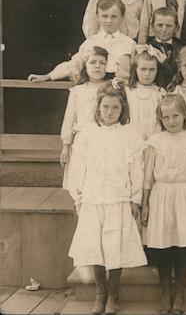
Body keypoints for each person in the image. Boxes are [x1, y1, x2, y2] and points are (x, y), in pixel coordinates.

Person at [67, 81, 147, 315]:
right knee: (95, 245)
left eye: (115, 108)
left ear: (123, 109)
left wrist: (134, 199)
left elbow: (137, 169)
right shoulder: (86, 134)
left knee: (115, 246)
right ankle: (100, 292)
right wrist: (78, 197)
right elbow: (77, 167)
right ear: (97, 108)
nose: (110, 113)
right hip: (93, 197)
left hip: (118, 197)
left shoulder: (130, 135)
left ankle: (113, 293)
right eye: (105, 108)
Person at [141, 94, 186, 315]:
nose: (171, 121)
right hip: (160, 195)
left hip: (185, 195)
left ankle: (179, 293)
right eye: (166, 117)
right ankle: (165, 292)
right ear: (161, 118)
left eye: (176, 116)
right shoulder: (154, 141)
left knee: (181, 245)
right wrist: (145, 204)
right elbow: (147, 177)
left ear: (185, 115)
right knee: (163, 246)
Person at [28, 0, 136, 82]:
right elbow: (72, 65)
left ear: (122, 18)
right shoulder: (90, 42)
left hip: (121, 95)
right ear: (97, 17)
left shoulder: (129, 44)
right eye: (104, 16)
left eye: (114, 16)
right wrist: (49, 76)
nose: (109, 20)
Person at [60, 47, 111, 195]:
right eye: (92, 62)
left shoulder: (112, 88)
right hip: (83, 141)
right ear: (84, 66)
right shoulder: (78, 91)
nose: (97, 66)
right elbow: (69, 119)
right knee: (82, 181)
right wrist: (66, 145)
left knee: (102, 180)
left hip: (105, 139)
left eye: (102, 63)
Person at [125, 45, 166, 140]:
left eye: (152, 69)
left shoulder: (160, 93)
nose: (147, 74)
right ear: (135, 70)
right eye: (143, 69)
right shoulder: (128, 91)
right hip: (131, 139)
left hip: (155, 138)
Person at [146, 7, 184, 88]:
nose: (164, 30)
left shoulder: (183, 50)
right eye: (160, 25)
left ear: (177, 28)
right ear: (152, 26)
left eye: (169, 26)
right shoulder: (146, 49)